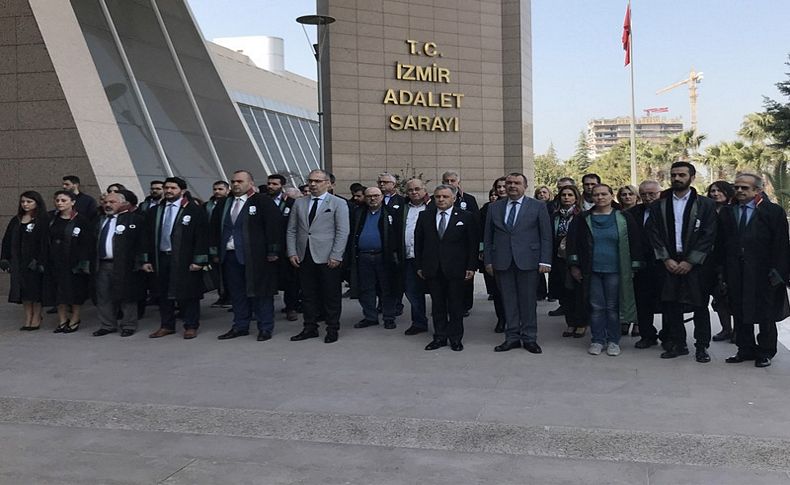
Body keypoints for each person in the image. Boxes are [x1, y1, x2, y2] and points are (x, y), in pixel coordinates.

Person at [647, 162, 717, 363]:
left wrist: (691, 261)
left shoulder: (705, 204)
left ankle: (702, 346)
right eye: (674, 175)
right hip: (669, 262)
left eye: (682, 175)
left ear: (692, 177)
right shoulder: (659, 204)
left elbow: (709, 235)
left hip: (696, 265)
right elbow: (653, 233)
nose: (677, 178)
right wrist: (666, 258)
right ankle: (678, 344)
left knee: (700, 306)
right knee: (671, 306)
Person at [719, 173, 789, 368]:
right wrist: (721, 273)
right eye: (737, 187)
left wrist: (779, 273)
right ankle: (745, 349)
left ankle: (766, 351)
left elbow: (782, 244)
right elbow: (721, 244)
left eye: (745, 188)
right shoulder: (728, 212)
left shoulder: (772, 212)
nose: (740, 191)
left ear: (758, 190)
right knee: (739, 311)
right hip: (736, 271)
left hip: (764, 272)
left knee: (765, 313)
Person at [567, 184, 643, 356]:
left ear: (611, 196)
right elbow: (573, 243)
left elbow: (635, 242)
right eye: (596, 194)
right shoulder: (583, 218)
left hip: (616, 270)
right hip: (591, 270)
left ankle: (614, 340)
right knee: (596, 306)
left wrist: (634, 266)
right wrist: (574, 266)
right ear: (591, 197)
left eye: (604, 194)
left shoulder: (623, 217)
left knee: (612, 307)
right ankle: (597, 340)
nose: (600, 197)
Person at [484, 173, 552, 354]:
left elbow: (546, 235)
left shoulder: (537, 206)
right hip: (502, 261)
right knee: (508, 301)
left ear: (525, 186)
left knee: (528, 301)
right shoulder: (494, 207)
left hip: (529, 261)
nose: (512, 186)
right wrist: (489, 261)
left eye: (517, 183)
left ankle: (529, 338)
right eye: (509, 183)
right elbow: (488, 237)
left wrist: (545, 261)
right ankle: (512, 337)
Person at [211, 170, 282, 341]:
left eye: (240, 181)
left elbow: (274, 227)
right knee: (237, 293)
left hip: (256, 256)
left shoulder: (262, 201)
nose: (236, 184)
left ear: (250, 183)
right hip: (230, 255)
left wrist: (273, 251)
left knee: (261, 293)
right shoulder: (224, 204)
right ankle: (240, 325)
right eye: (233, 181)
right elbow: (213, 229)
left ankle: (265, 327)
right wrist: (214, 252)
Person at [287, 169, 350, 343]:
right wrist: (292, 251)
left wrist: (337, 254)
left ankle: (332, 328)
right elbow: (292, 229)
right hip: (304, 255)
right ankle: (309, 327)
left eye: (317, 181)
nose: (313, 184)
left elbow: (342, 231)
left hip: (328, 256)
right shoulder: (299, 203)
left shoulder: (338, 203)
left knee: (331, 295)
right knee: (308, 294)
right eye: (310, 180)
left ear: (328, 183)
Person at [143, 177, 209, 339]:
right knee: (163, 292)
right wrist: (146, 260)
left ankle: (191, 325)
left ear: (182, 190)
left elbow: (202, 237)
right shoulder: (155, 211)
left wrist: (199, 260)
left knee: (189, 293)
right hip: (162, 257)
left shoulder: (193, 210)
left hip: (185, 258)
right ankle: (167, 325)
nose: (169, 191)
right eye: (166, 188)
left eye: (173, 188)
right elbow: (146, 237)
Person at [415, 184, 477, 351]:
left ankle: (456, 338)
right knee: (438, 305)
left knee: (456, 305)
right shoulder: (425, 216)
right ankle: (440, 337)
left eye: (445, 196)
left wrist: (471, 266)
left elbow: (472, 244)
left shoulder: (466, 216)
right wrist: (419, 265)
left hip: (456, 269)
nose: (441, 199)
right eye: (438, 197)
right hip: (433, 268)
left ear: (454, 198)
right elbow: (419, 243)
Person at [92, 191, 146, 337]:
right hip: (103, 264)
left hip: (124, 264)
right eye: (106, 202)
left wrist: (141, 262)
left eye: (112, 202)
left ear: (123, 203)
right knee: (103, 296)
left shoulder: (134, 220)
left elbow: (141, 243)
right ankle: (107, 324)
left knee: (126, 295)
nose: (108, 205)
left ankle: (128, 324)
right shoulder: (99, 220)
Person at [348, 187, 402, 329]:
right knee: (366, 289)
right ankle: (370, 317)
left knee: (387, 288)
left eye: (376, 196)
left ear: (382, 197)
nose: (373, 199)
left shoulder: (391, 212)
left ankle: (389, 317)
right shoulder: (358, 213)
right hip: (363, 256)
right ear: (365, 198)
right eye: (369, 196)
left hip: (384, 256)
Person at [44, 190, 93, 333]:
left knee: (75, 292)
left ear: (72, 202)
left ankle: (75, 318)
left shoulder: (81, 220)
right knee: (58, 293)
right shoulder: (51, 219)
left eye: (63, 200)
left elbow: (87, 243)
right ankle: (62, 319)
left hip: (74, 263)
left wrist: (83, 262)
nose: (59, 203)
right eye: (57, 200)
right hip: (55, 261)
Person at [1, 191, 48, 330]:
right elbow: (7, 240)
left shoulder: (42, 219)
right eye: (23, 202)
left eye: (29, 202)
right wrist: (4, 258)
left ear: (36, 203)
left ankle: (36, 316)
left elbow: (44, 243)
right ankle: (28, 317)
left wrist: (40, 260)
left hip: (34, 262)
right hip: (18, 261)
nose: (25, 204)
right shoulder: (16, 219)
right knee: (23, 291)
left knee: (35, 291)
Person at [548, 185, 586, 338]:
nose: (566, 197)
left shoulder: (582, 216)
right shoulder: (555, 216)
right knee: (565, 293)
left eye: (570, 195)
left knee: (578, 293)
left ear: (576, 198)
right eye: (564, 194)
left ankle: (581, 323)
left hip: (577, 260)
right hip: (559, 260)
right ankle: (570, 323)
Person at [629, 180, 663, 348]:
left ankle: (669, 335)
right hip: (641, 264)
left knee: (667, 302)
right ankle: (647, 335)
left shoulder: (667, 211)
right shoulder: (633, 212)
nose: (648, 197)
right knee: (643, 302)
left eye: (652, 194)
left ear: (660, 193)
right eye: (643, 194)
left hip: (664, 264)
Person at [441, 170, 479, 316]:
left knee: (465, 280)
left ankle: (464, 306)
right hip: (443, 249)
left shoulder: (468, 200)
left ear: (458, 182)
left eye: (452, 181)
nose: (449, 184)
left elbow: (475, 225)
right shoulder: (436, 199)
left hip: (463, 249)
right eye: (446, 181)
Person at [707, 180, 736, 343]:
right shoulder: (706, 210)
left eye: (719, 190)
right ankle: (726, 329)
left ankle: (739, 331)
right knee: (718, 296)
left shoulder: (733, 210)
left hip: (729, 259)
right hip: (711, 260)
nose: (715, 193)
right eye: (712, 191)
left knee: (733, 297)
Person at [268, 174, 299, 321]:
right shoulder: (263, 201)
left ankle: (291, 307)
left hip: (286, 246)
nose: (271, 186)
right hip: (267, 247)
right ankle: (265, 309)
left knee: (290, 280)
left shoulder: (291, 203)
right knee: (266, 279)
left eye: (274, 184)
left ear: (282, 186)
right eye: (269, 184)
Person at [399, 178, 429, 335]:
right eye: (410, 190)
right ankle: (419, 322)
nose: (414, 192)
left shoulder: (432, 206)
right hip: (409, 257)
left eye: (417, 189)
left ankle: (444, 322)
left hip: (430, 258)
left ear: (424, 189)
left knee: (438, 292)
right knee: (412, 292)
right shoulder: (403, 208)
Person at [480, 177, 507, 332]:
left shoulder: (526, 206)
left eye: (504, 186)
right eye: (498, 187)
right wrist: (483, 250)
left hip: (517, 256)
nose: (502, 189)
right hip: (496, 255)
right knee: (498, 291)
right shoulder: (489, 208)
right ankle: (501, 319)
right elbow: (484, 232)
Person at [205, 180, 230, 308]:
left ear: (227, 190)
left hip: (224, 241)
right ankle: (222, 295)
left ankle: (229, 296)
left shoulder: (229, 203)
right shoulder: (207, 205)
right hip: (211, 240)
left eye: (220, 189)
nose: (217, 192)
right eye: (215, 189)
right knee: (217, 272)